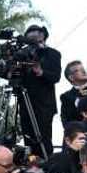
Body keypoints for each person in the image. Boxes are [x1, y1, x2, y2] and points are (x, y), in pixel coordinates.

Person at [19, 24, 61, 157]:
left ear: (43, 37)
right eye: (30, 39)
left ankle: (46, 165)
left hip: (44, 106)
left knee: (43, 139)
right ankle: (31, 166)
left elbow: (56, 76)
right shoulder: (22, 54)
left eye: (36, 38)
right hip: (25, 102)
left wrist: (41, 72)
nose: (34, 42)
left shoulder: (53, 54)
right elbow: (13, 73)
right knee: (28, 138)